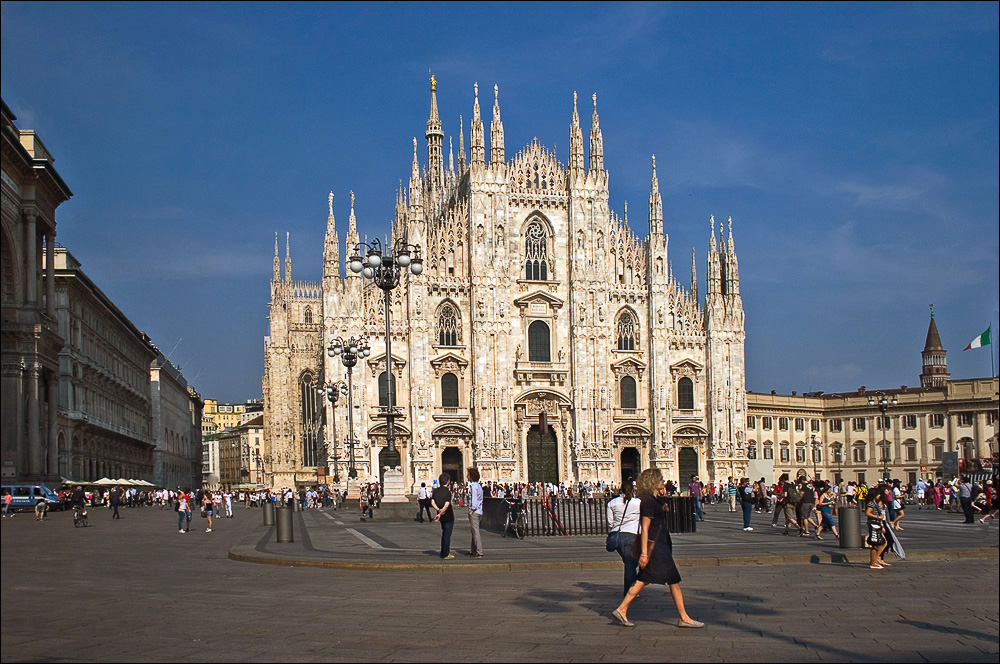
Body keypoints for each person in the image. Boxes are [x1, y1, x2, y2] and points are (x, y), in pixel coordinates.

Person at [612, 468, 703, 628]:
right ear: (653, 482)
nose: (664, 482)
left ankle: (622, 609)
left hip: (660, 544)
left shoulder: (653, 500)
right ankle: (684, 617)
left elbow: (655, 521)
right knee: (671, 579)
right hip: (656, 547)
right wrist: (644, 554)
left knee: (646, 579)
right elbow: (645, 528)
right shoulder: (647, 501)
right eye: (660, 479)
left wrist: (663, 509)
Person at [606, 481, 641, 595]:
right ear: (633, 490)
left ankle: (631, 588)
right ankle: (630, 592)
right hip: (632, 534)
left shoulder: (612, 503)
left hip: (617, 535)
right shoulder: (638, 503)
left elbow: (610, 522)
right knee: (630, 563)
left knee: (629, 562)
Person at [431, 473, 455, 560]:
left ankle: (443, 551)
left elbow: (432, 502)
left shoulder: (435, 491)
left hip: (441, 517)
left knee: (444, 533)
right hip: (448, 515)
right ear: (447, 482)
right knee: (447, 535)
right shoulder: (447, 492)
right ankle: (445, 553)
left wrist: (438, 511)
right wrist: (441, 513)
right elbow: (446, 505)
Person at [865, 489, 889, 569]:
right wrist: (878, 517)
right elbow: (868, 513)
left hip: (877, 524)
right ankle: (873, 562)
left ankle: (874, 560)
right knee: (875, 544)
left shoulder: (874, 503)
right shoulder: (871, 503)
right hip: (873, 524)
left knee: (879, 543)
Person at [466, 467, 484, 557]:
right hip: (479, 511)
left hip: (475, 512)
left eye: (468, 475)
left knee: (475, 531)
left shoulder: (473, 486)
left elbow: (474, 500)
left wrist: (471, 510)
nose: (466, 476)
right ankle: (473, 550)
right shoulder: (479, 486)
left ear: (471, 476)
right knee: (474, 531)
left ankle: (479, 551)